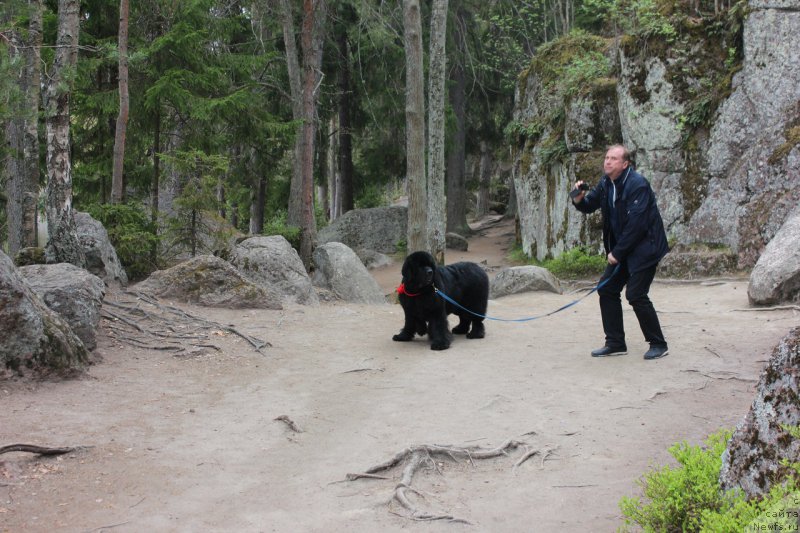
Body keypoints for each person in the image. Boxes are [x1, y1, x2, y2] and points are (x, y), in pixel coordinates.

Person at [571, 144, 670, 360]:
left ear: (625, 164)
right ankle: (615, 342)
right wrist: (579, 199)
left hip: (646, 248)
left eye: (613, 158)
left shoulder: (638, 185)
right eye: (606, 157)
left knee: (635, 294)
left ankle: (658, 344)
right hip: (623, 249)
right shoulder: (606, 183)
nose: (607, 161)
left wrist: (616, 253)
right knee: (606, 290)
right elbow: (589, 204)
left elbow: (637, 226)